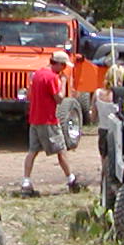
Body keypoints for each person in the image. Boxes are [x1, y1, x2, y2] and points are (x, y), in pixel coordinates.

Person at [20, 49, 80, 196]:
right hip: (48, 119)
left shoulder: (37, 74)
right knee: (61, 149)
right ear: (58, 64)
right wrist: (63, 82)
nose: (64, 69)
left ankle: (26, 181)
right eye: (63, 66)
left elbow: (30, 93)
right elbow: (59, 99)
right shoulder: (52, 77)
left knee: (32, 151)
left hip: (34, 118)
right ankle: (71, 180)